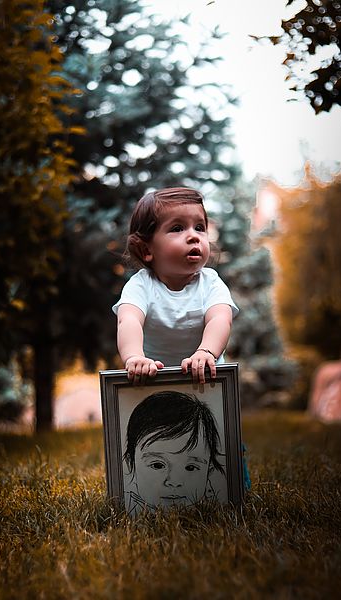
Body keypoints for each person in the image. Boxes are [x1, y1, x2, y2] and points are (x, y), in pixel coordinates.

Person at [112, 186, 251, 490]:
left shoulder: (210, 282)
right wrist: (134, 356)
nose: (194, 236)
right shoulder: (141, 285)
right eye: (177, 228)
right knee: (164, 444)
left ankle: (235, 491)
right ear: (147, 249)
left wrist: (206, 352)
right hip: (157, 381)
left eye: (199, 227)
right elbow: (129, 319)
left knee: (222, 438)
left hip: (207, 375)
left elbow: (220, 317)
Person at [123, 390, 226, 514]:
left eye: (191, 467)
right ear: (131, 464)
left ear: (208, 472)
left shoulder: (215, 512)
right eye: (158, 465)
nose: (174, 482)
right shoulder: (125, 509)